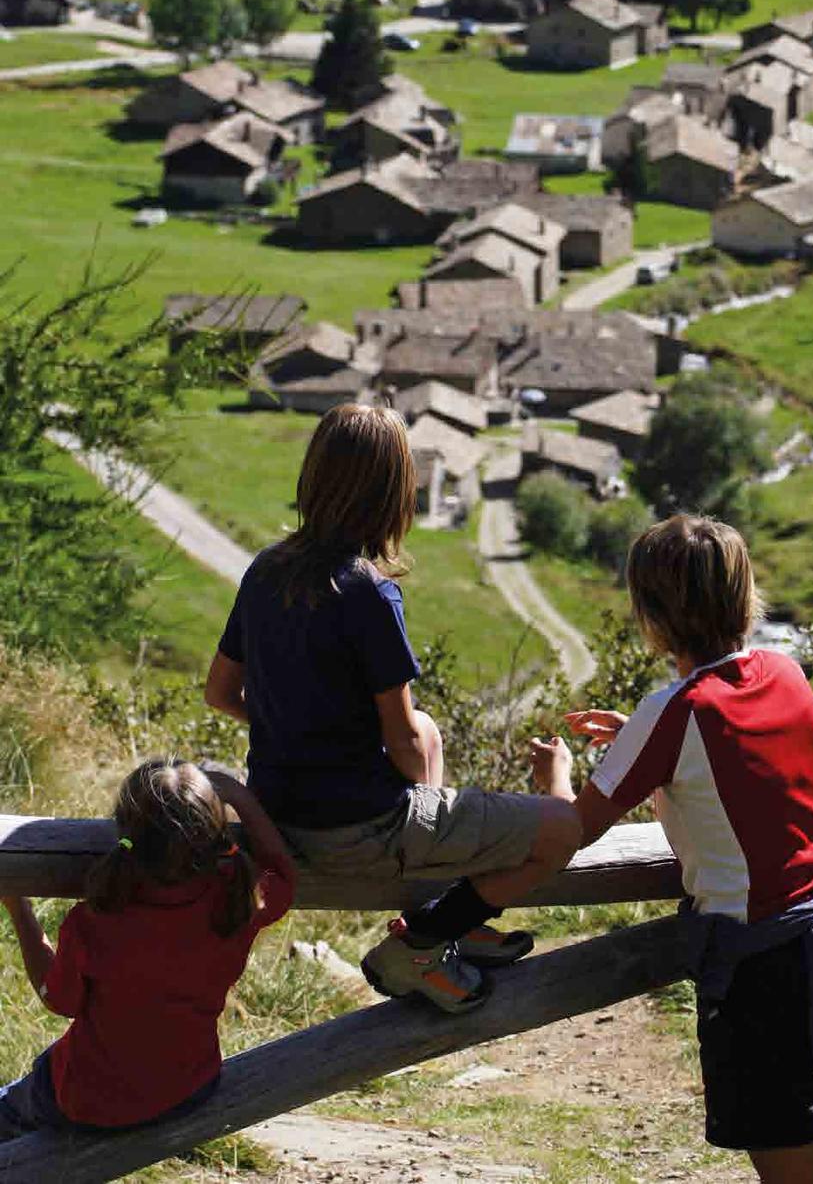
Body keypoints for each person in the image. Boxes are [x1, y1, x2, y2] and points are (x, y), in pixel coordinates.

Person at [528, 514, 813, 1184]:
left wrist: (556, 779)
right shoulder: (785, 673)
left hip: (766, 973)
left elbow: (570, 829)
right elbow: (742, 764)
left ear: (654, 616)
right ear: (745, 592)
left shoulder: (673, 711)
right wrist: (644, 736)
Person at [204, 402, 580, 1015]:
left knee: (431, 732)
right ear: (390, 494)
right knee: (564, 829)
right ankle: (425, 941)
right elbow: (399, 742)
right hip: (354, 832)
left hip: (280, 814)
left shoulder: (265, 570)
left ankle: (440, 916)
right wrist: (417, 804)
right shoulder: (369, 594)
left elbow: (219, 694)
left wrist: (290, 727)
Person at [0, 758, 293, 1142]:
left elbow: (59, 1000)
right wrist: (239, 795)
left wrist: (18, 909)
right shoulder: (235, 901)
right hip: (191, 1088)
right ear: (215, 835)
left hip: (92, 1101)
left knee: (14, 1104)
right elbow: (282, 871)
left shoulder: (95, 922)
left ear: (124, 831)